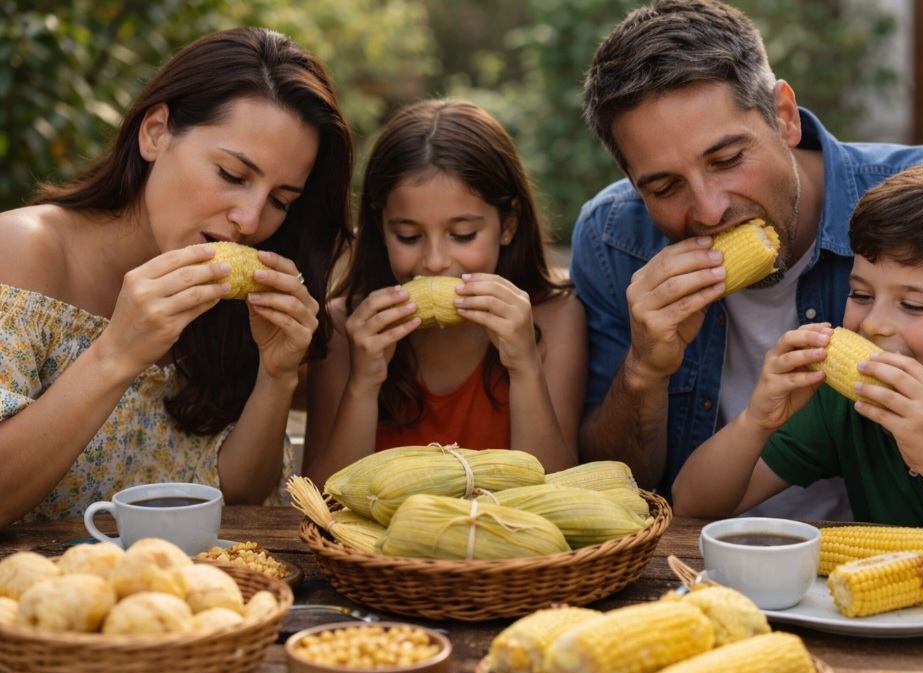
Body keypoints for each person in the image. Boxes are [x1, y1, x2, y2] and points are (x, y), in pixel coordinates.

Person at [570, 0, 923, 515]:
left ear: (784, 117)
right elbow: (624, 495)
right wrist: (644, 371)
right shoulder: (614, 239)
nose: (709, 210)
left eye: (727, 160)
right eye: (663, 187)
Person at [0, 27, 355, 528]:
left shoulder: (230, 303)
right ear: (156, 132)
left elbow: (239, 500)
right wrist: (117, 353)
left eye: (281, 201)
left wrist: (276, 377)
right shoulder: (19, 252)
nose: (251, 222)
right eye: (232, 175)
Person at [672, 159, 923, 589]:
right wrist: (757, 421)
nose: (873, 325)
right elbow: (692, 504)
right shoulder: (849, 401)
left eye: (914, 305)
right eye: (861, 294)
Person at [303, 98, 586, 487]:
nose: (435, 261)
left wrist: (525, 368)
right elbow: (320, 498)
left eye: (463, 234)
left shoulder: (555, 317)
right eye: (409, 236)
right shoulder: (346, 326)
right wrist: (363, 383)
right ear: (380, 228)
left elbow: (557, 493)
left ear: (508, 224)